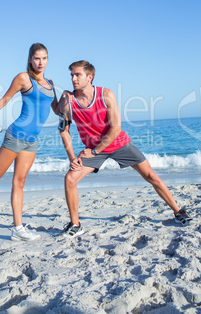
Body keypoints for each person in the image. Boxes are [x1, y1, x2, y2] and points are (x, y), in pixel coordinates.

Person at [58, 60, 191, 238]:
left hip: (117, 143)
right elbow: (63, 129)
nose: (73, 78)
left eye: (77, 74)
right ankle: (76, 224)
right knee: (70, 178)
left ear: (89, 77)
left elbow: (115, 129)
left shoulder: (106, 94)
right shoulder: (68, 99)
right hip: (92, 149)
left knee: (151, 176)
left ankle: (178, 211)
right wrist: (72, 158)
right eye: (71, 75)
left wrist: (95, 151)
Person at [0, 43, 58, 241]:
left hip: (32, 140)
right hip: (16, 135)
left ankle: (18, 229)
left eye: (44, 58)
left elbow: (56, 108)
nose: (41, 62)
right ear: (30, 59)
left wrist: (71, 106)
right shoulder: (24, 78)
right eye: (37, 58)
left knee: (20, 182)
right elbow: (6, 99)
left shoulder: (50, 83)